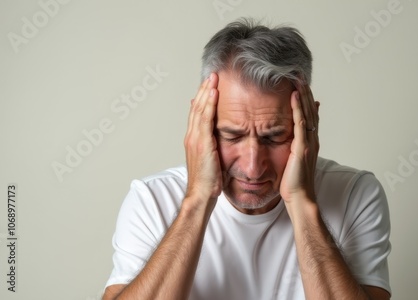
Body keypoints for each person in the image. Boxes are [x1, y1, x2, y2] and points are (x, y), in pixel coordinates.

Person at [103, 18, 391, 300]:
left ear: (308, 123)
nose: (253, 167)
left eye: (274, 137)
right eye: (232, 135)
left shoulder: (355, 194)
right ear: (200, 123)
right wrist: (197, 200)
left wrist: (301, 202)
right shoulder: (152, 199)